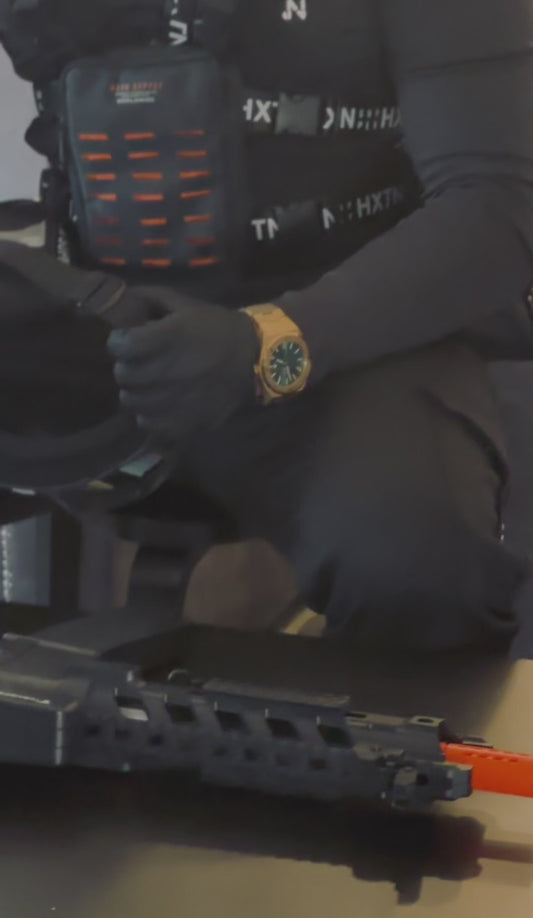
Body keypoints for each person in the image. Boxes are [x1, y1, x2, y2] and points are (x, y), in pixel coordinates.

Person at [2, 0, 533, 650]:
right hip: (105, 318)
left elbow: (493, 207)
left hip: (351, 334)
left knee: (415, 566)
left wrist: (265, 347)